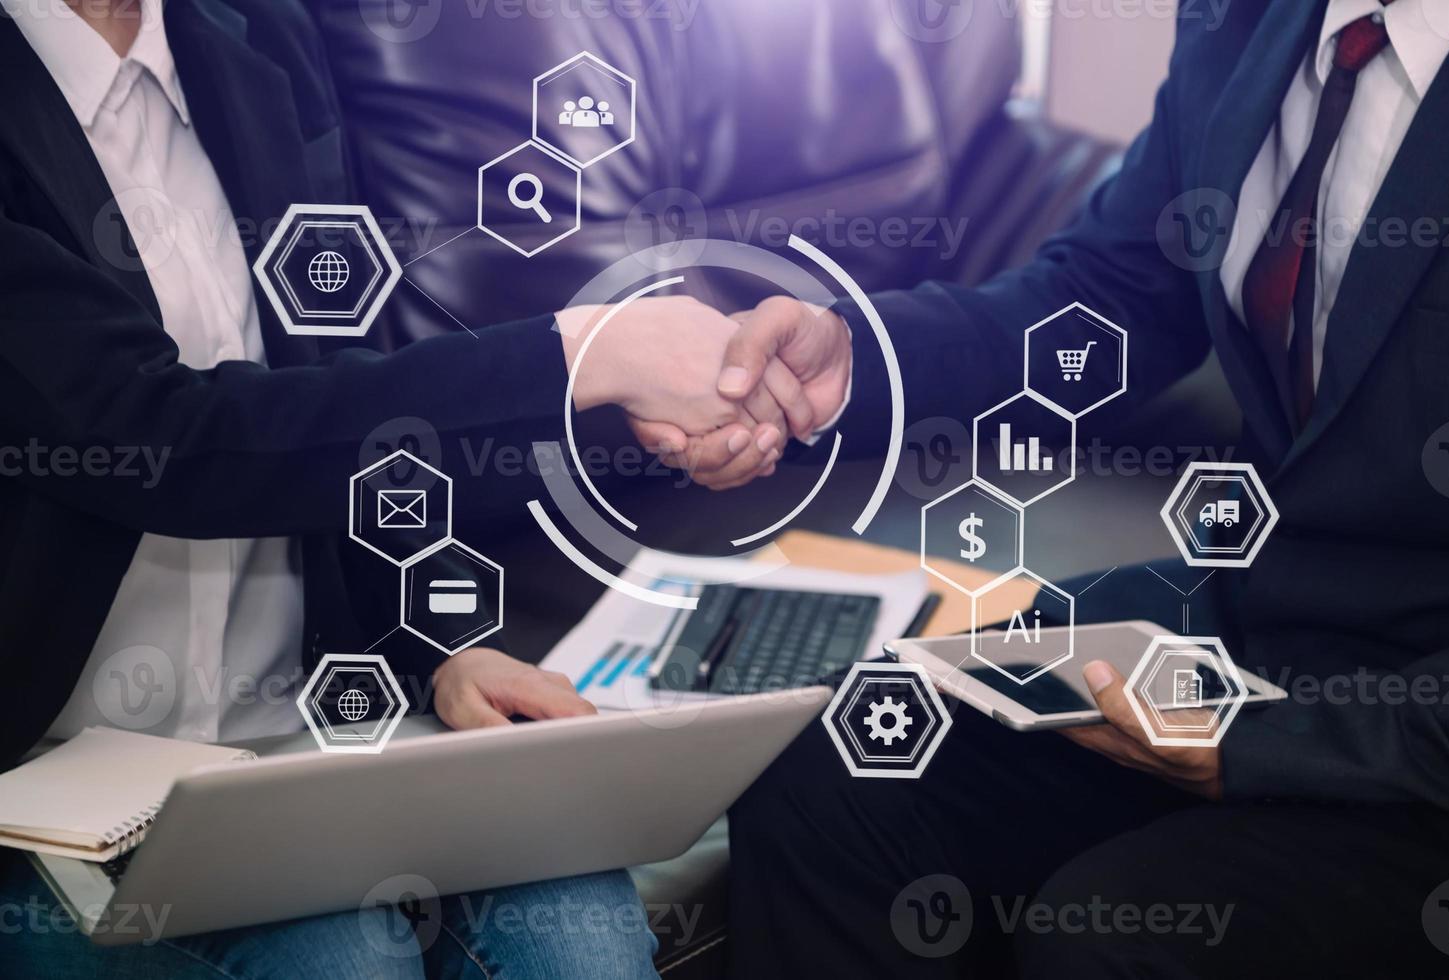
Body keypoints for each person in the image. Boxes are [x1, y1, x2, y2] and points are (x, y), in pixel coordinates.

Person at [639, 0, 1449, 974]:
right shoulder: (1245, 21)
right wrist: (852, 359)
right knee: (835, 761)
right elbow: (1106, 304)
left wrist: (1270, 744)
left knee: (1106, 936)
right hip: (1259, 621)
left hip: (1432, 720)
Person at [0, 0, 828, 975]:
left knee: (579, 923)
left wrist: (431, 652)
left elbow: (333, 394)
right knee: (346, 955)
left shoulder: (254, 37)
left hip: (302, 739)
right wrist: (581, 351)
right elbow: (162, 433)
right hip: (43, 787)